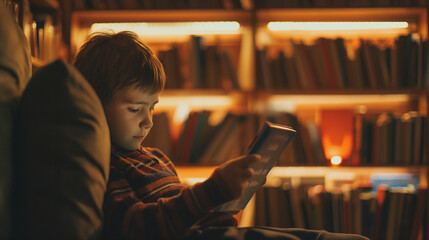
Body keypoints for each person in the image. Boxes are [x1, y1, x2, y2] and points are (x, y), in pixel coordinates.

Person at [74, 31, 369, 240]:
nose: (148, 122)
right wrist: (212, 190)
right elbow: (139, 228)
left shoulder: (157, 158)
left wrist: (227, 204)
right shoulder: (107, 167)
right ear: (94, 104)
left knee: (323, 236)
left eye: (152, 108)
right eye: (135, 108)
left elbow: (190, 217)